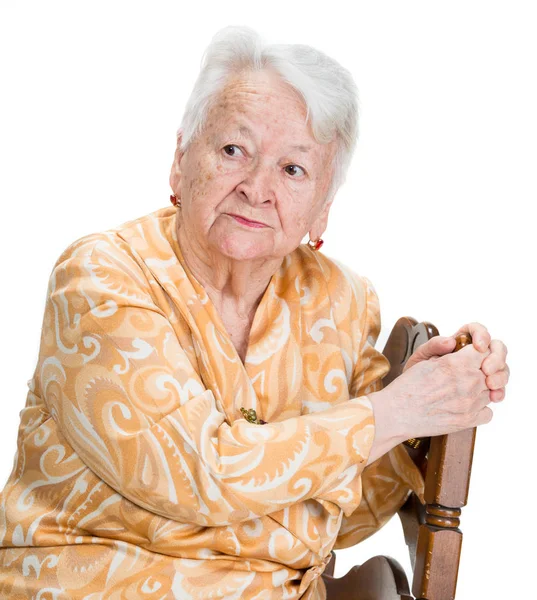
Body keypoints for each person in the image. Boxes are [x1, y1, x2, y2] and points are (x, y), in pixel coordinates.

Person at [0, 25, 509, 600]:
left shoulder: (340, 298)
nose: (257, 188)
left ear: (322, 209)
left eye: (293, 170)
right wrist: (386, 414)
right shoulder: (100, 277)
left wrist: (423, 407)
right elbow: (197, 475)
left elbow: (349, 513)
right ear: (180, 161)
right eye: (233, 151)